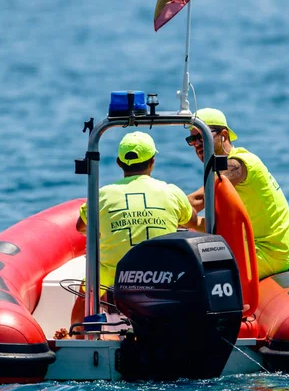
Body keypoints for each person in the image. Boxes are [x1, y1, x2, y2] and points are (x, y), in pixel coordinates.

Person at [71, 131, 202, 331]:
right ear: (152, 162)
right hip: (162, 273)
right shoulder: (171, 192)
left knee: (85, 296)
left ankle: (77, 335)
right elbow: (192, 221)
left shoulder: (102, 195)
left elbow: (81, 227)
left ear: (119, 163)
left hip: (114, 272)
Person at [186, 108, 289, 279]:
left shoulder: (238, 164)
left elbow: (197, 201)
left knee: (186, 270)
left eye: (202, 137)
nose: (197, 144)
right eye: (192, 139)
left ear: (223, 135)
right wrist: (188, 221)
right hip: (254, 249)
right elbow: (215, 224)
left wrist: (161, 209)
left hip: (265, 254)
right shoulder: (225, 168)